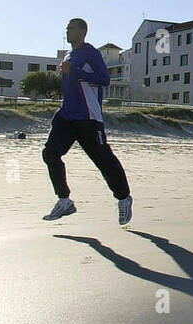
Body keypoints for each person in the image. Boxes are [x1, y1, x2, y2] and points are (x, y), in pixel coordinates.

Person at [42, 17, 133, 225]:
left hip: (88, 117)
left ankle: (124, 197)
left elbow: (104, 80)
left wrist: (74, 71)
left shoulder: (90, 53)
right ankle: (64, 201)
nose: (67, 31)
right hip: (66, 116)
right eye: (67, 28)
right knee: (50, 154)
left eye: (71, 28)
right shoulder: (68, 54)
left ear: (83, 31)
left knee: (103, 160)